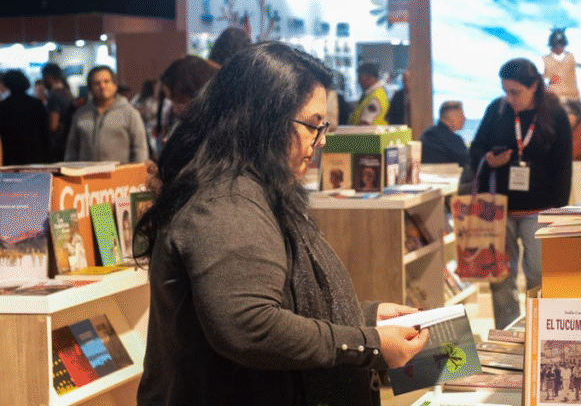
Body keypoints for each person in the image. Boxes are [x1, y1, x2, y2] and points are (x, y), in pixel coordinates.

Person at [135, 42, 429, 406]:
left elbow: (281, 298)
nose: (318, 143)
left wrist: (365, 317)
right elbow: (250, 325)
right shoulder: (228, 202)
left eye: (322, 128)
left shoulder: (258, 188)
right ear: (261, 118)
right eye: (311, 126)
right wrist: (368, 344)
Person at [468, 58, 572, 329]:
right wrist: (488, 160)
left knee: (538, 273)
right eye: (506, 91)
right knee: (501, 277)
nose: (509, 98)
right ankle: (508, 334)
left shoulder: (554, 114)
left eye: (516, 92)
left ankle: (542, 330)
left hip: (541, 210)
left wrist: (558, 214)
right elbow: (476, 149)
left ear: (534, 86)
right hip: (498, 209)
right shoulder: (497, 110)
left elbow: (563, 167)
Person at [65, 66, 149, 163]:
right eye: (97, 83)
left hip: (120, 175)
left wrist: (137, 174)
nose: (102, 86)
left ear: (114, 85)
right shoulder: (80, 114)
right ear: (90, 88)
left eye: (106, 81)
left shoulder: (130, 113)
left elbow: (140, 148)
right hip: (86, 175)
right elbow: (72, 148)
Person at [0, 70, 49, 165]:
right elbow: (45, 134)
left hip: (10, 156)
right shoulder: (37, 104)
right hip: (35, 154)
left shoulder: (3, 107)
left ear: (7, 84)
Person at [541, 28, 581, 101]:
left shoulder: (570, 57)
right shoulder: (547, 60)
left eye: (560, 46)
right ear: (551, 47)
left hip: (572, 98)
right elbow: (543, 77)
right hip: (553, 98)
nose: (558, 49)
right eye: (555, 46)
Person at [42, 62, 76, 162]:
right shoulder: (66, 92)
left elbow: (53, 125)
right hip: (67, 142)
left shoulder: (54, 95)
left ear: (49, 78)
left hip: (58, 144)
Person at [420, 100, 469, 168]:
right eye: (462, 115)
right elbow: (469, 162)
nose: (464, 119)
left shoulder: (427, 134)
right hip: (451, 177)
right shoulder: (455, 140)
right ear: (453, 118)